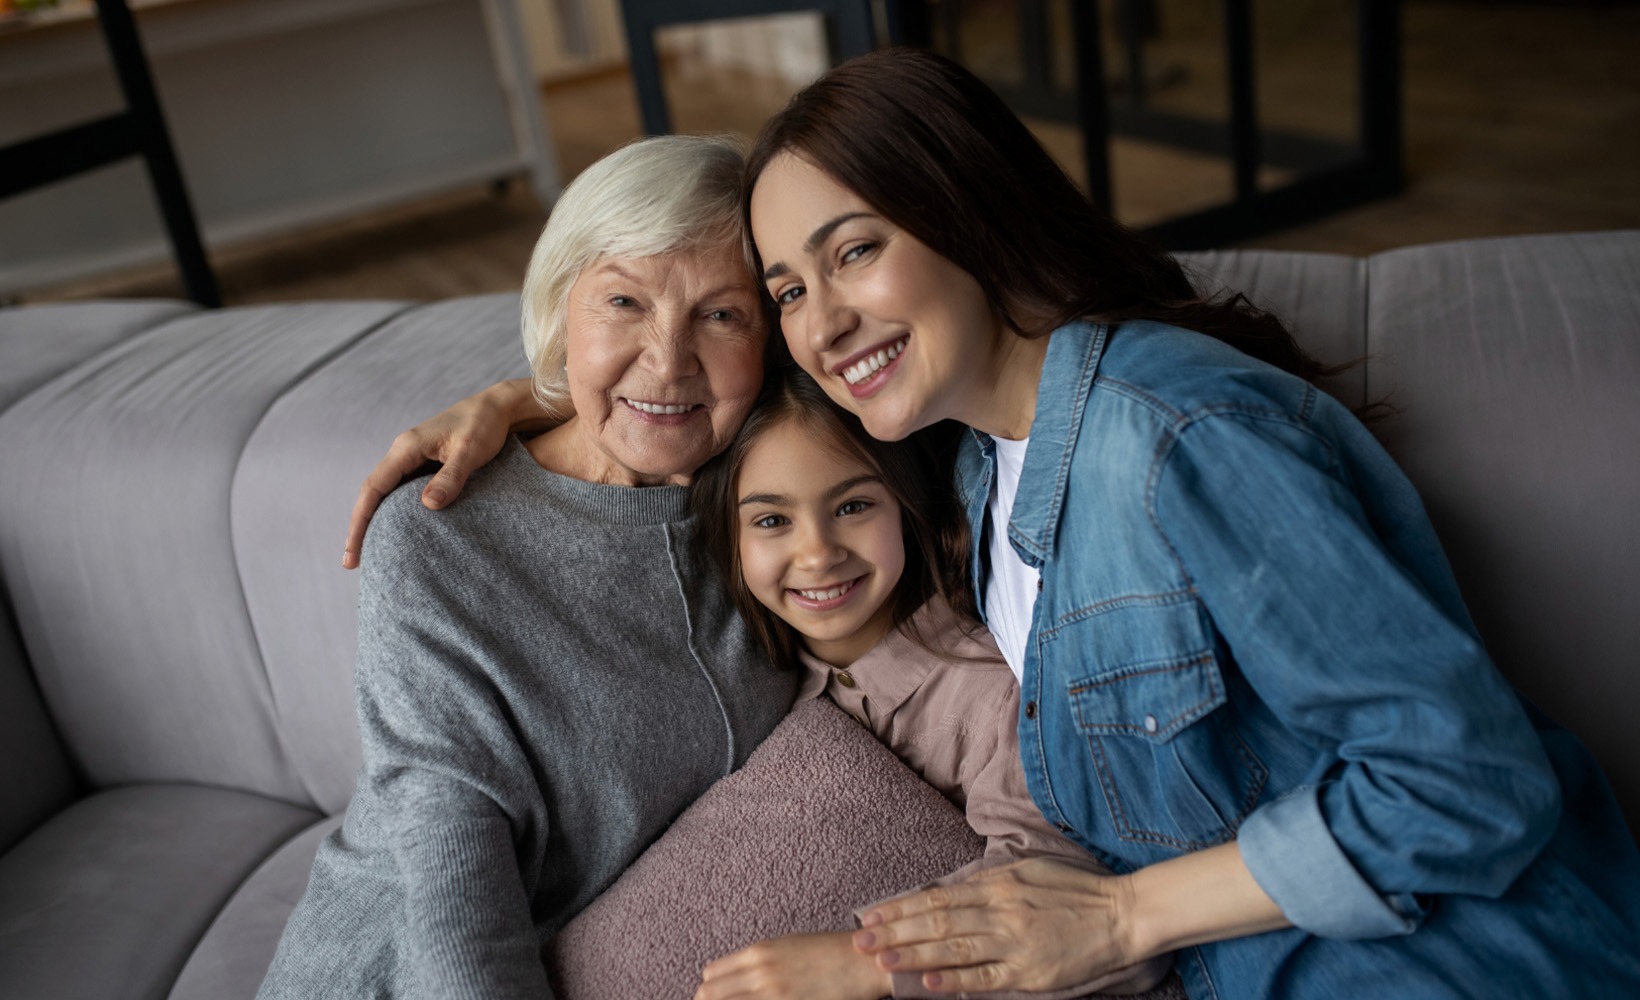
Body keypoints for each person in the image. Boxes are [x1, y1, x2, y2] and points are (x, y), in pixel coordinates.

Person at [341, 48, 1640, 1000]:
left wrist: (1121, 921)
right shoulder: (948, 456)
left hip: (1444, 965)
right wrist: (538, 399)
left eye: (856, 252)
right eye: (789, 288)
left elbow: (1465, 784)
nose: (825, 321)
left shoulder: (1171, 439)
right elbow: (696, 400)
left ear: (963, 212)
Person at [258, 135, 795, 999]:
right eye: (623, 301)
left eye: (722, 315)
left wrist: (524, 394)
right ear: (559, 314)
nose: (668, 358)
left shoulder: (788, 509)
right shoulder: (439, 538)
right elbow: (450, 875)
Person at [686, 366, 1171, 1000]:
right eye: (772, 521)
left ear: (906, 506)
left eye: (853, 506)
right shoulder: (736, 665)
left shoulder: (991, 688)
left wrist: (873, 960)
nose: (817, 553)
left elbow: (1066, 884)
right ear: (731, 537)